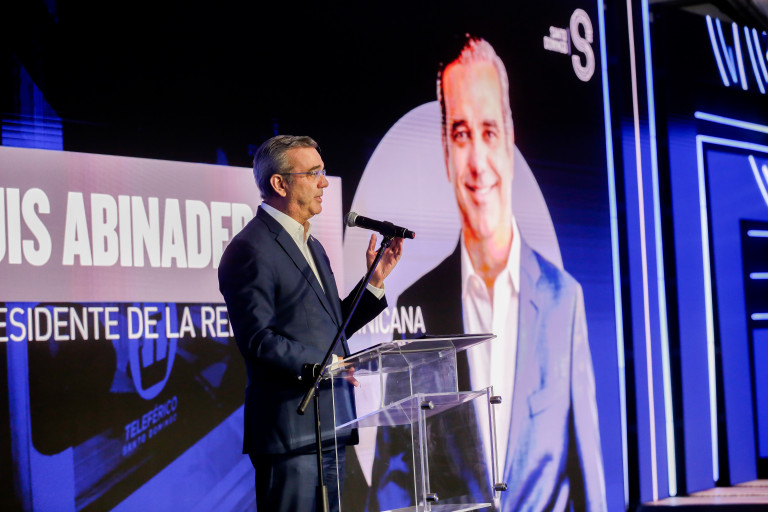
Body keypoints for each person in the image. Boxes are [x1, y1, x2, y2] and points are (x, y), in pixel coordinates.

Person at [374, 36, 607, 511]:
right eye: (462, 134)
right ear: (445, 151)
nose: (478, 163)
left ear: (510, 139)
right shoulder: (418, 305)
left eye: (489, 131)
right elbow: (393, 477)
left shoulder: (564, 300)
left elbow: (589, 485)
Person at [218, 135, 403, 512]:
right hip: (290, 428)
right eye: (313, 173)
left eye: (324, 172)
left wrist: (373, 282)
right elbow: (258, 339)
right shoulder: (249, 249)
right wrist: (326, 365)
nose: (324, 183)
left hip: (331, 423)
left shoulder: (312, 246)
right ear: (279, 183)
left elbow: (331, 328)